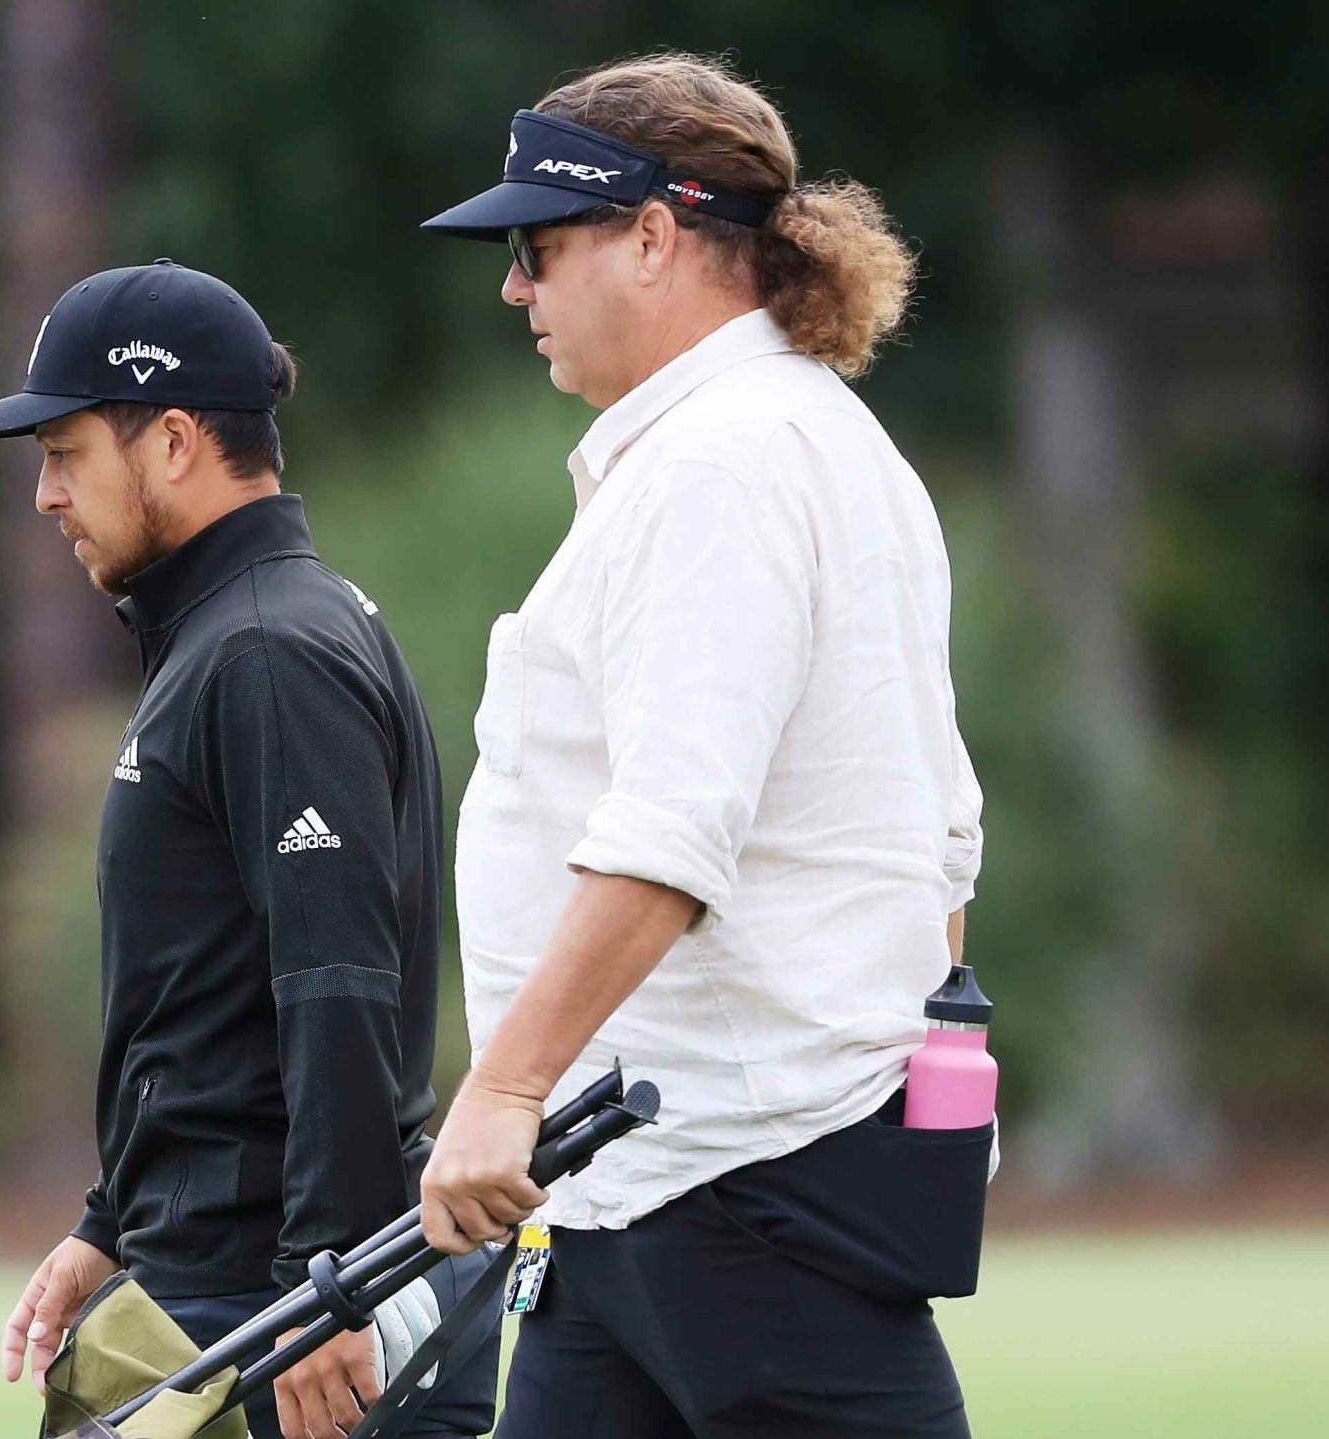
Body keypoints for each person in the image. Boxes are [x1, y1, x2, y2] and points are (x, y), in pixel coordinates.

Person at [413, 54, 989, 1437]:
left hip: (734, 1178)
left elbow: (673, 829)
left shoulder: (719, 467)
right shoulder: (791, 438)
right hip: (654, 1177)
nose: (515, 288)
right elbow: (947, 831)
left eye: (540, 249)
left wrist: (501, 1085)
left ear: (656, 236)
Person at [0, 260, 498, 1439]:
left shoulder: (264, 651)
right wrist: (110, 1221)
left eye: (65, 452)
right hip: (235, 1275)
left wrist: (328, 1286)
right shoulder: (236, 631)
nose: (45, 494)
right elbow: (207, 993)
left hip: (280, 1303)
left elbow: (333, 983)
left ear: (176, 441)